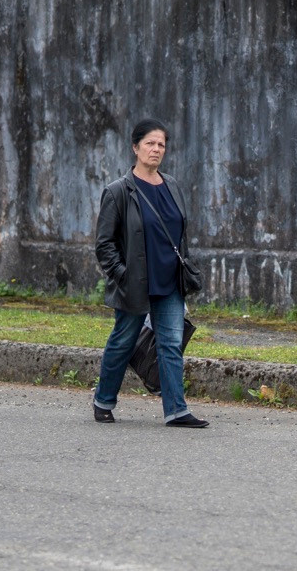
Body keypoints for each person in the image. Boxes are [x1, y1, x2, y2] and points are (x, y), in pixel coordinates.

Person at [91, 119, 208, 427]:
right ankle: (103, 400)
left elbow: (180, 235)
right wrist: (122, 274)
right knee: (124, 341)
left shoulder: (172, 186)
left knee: (169, 344)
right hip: (135, 284)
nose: (156, 150)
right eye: (150, 144)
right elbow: (104, 245)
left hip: (170, 282)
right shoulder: (118, 191)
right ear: (135, 147)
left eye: (161, 145)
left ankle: (176, 410)